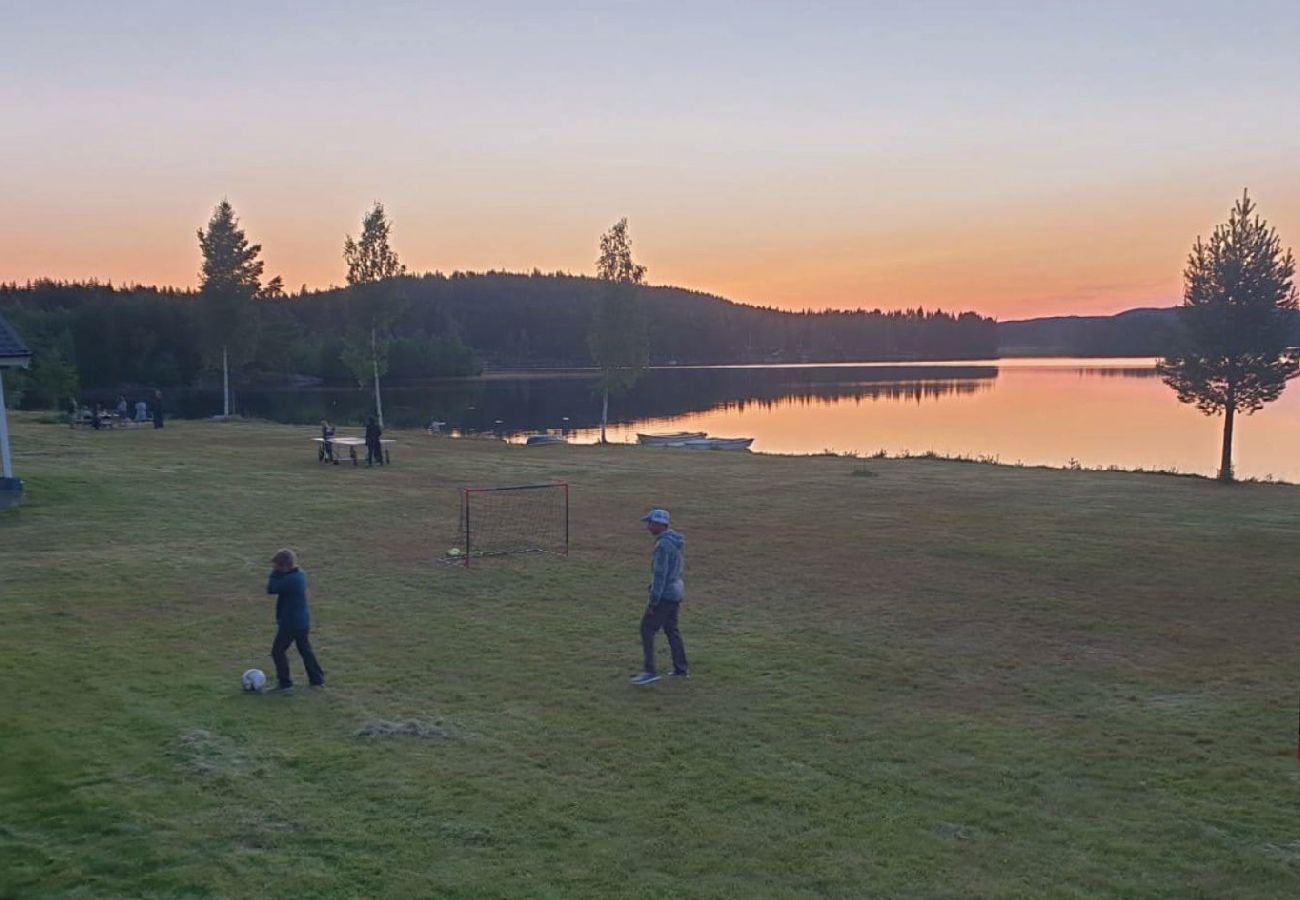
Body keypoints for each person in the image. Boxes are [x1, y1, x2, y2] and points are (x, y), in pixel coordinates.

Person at [630, 508, 688, 685]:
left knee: (646, 628)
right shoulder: (675, 541)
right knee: (672, 630)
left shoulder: (662, 546)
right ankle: (681, 669)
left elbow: (659, 576)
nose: (648, 527)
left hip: (666, 594)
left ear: (659, 524)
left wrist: (653, 602)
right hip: (677, 591)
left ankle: (650, 671)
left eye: (650, 523)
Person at [265, 548, 325, 692]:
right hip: (301, 621)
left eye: (277, 565)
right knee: (305, 650)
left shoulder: (291, 580)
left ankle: (285, 683)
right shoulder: (299, 575)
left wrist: (275, 573)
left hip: (291, 623)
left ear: (284, 566)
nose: (274, 568)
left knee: (278, 651)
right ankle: (317, 679)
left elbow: (271, 588)